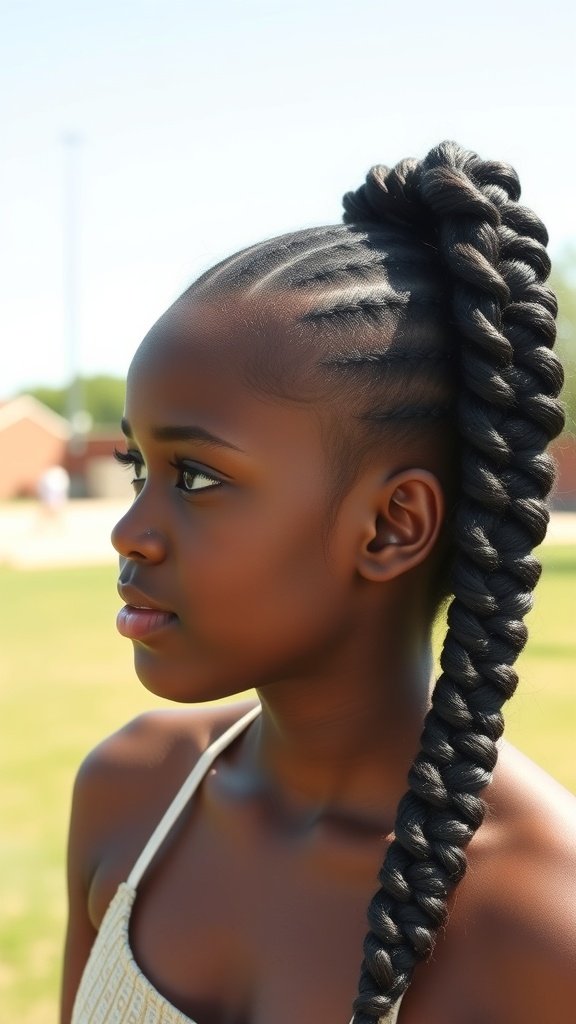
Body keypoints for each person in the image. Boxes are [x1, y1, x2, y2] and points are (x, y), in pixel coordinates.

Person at [61, 141, 576, 1024]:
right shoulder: (129, 795)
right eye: (135, 462)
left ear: (390, 527)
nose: (129, 531)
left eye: (195, 476)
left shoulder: (545, 927)